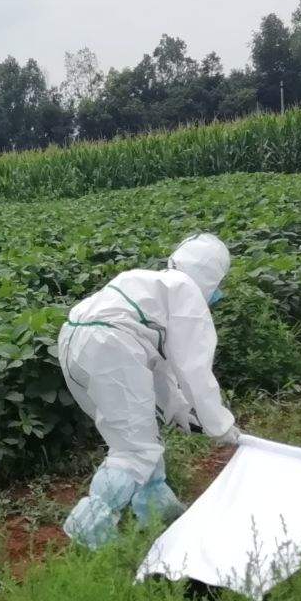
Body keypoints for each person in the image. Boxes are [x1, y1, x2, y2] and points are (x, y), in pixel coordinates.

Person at [56, 232, 242, 548]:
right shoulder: (186, 293)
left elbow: (161, 370)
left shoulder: (149, 282)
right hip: (111, 346)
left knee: (135, 433)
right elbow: (195, 370)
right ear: (212, 274)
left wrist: (181, 412)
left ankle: (156, 507)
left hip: (74, 339)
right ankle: (90, 528)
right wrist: (221, 426)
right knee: (134, 449)